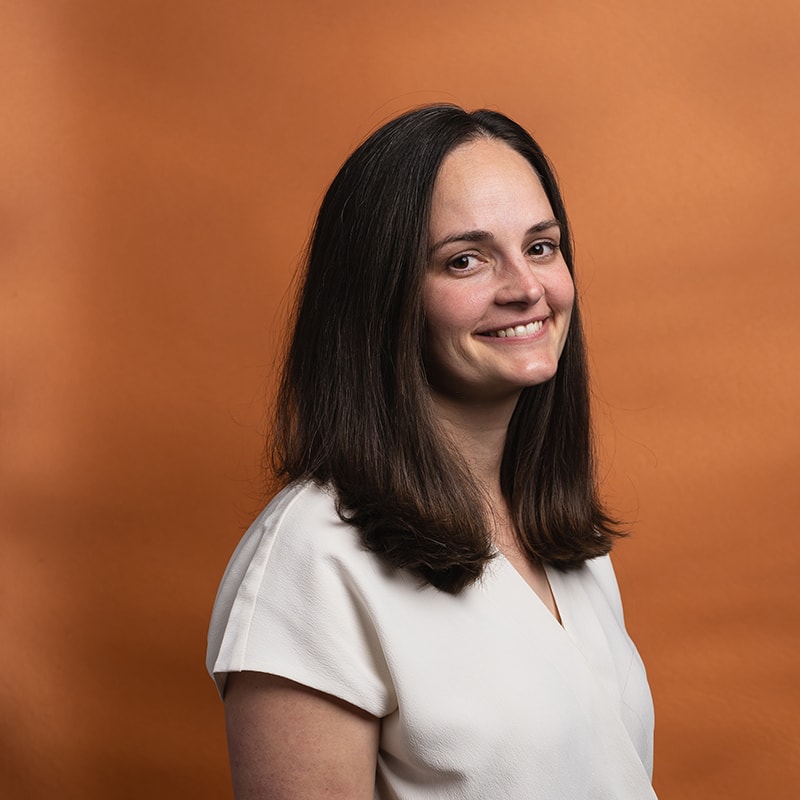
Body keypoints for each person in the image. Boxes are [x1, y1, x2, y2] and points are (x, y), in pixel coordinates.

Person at [206, 104, 656, 799]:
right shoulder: (312, 563)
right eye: (465, 260)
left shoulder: (567, 543)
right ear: (382, 299)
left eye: (541, 247)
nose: (527, 288)